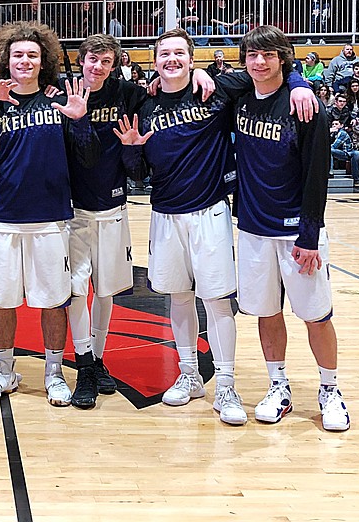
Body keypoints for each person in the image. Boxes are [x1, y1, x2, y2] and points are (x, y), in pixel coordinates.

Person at [219, 25, 347, 433]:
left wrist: (310, 236)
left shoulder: (304, 106)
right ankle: (278, 385)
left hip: (297, 233)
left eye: (269, 55)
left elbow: (316, 175)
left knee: (315, 316)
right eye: (253, 55)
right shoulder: (240, 95)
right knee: (266, 312)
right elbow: (211, 78)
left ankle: (330, 390)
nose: (260, 62)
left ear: (283, 59)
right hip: (254, 228)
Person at [117, 29, 248, 425]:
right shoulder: (147, 102)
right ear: (154, 63)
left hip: (209, 212)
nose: (171, 59)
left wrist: (208, 75)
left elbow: (272, 70)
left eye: (179, 53)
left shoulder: (215, 92)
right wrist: (132, 149)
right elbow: (137, 170)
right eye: (164, 54)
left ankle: (225, 382)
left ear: (192, 60)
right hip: (164, 214)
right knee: (178, 298)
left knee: (217, 301)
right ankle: (190, 374)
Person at [0, 21, 97, 407]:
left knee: (53, 300)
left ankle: (54, 374)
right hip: (2, 215)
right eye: (18, 54)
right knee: (1, 300)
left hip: (51, 217)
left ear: (44, 62)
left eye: (32, 55)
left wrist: (79, 120)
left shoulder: (58, 101)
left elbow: (86, 157)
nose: (24, 61)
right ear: (5, 60)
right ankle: (3, 371)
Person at [64, 34, 147, 409]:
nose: (97, 67)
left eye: (105, 62)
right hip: (73, 210)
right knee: (77, 291)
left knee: (107, 290)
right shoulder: (62, 93)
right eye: (92, 60)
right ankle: (83, 363)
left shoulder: (127, 95)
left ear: (115, 65)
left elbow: (162, 96)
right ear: (81, 60)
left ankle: (98, 359)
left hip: (114, 208)